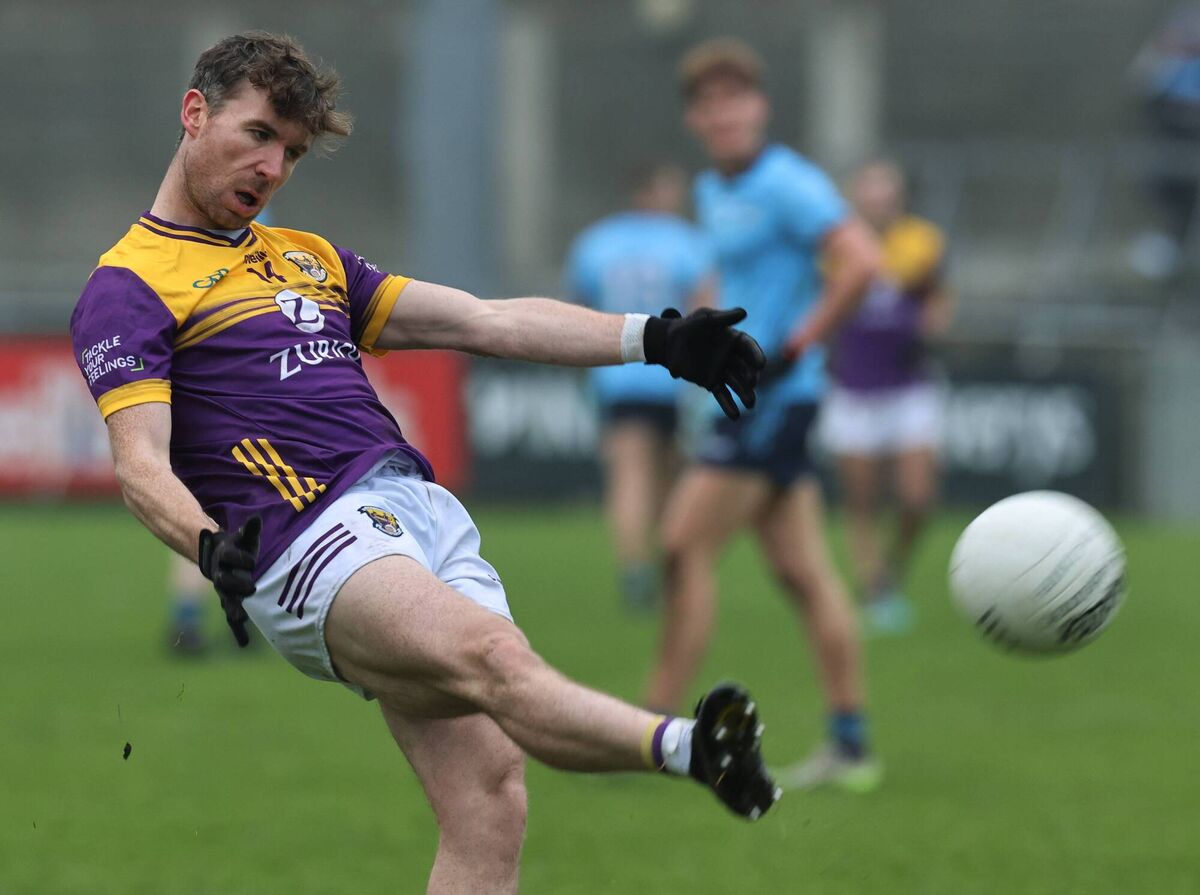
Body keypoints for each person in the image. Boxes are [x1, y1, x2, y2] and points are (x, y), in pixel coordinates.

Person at [69, 32, 776, 893]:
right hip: (313, 538)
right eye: (258, 134)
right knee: (495, 660)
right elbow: (139, 461)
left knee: (490, 799)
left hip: (421, 513)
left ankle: (684, 748)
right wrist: (207, 544)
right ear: (194, 113)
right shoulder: (129, 282)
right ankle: (692, 747)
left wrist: (656, 338)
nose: (273, 167)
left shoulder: (308, 256)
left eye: (290, 151)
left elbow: (487, 320)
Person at [641, 38, 882, 793]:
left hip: (777, 397)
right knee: (802, 571)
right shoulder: (715, 190)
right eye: (710, 101)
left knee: (681, 542)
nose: (725, 112)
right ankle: (850, 742)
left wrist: (796, 344)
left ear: (760, 107)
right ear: (694, 118)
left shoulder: (788, 182)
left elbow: (863, 261)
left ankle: (651, 726)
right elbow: (728, 272)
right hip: (747, 397)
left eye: (737, 97)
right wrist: (696, 336)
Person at [564, 164, 714, 612]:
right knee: (672, 475)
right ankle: (670, 562)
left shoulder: (595, 241)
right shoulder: (688, 241)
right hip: (675, 377)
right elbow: (706, 311)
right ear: (652, 192)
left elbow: (574, 311)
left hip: (616, 371)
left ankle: (634, 569)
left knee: (629, 476)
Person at [821, 161, 953, 634]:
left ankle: (891, 571)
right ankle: (875, 587)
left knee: (918, 498)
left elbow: (937, 297)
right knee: (862, 501)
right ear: (857, 195)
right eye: (871, 189)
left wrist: (933, 321)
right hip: (853, 385)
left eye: (887, 189)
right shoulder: (834, 244)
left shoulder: (922, 240)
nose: (879, 198)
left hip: (908, 383)